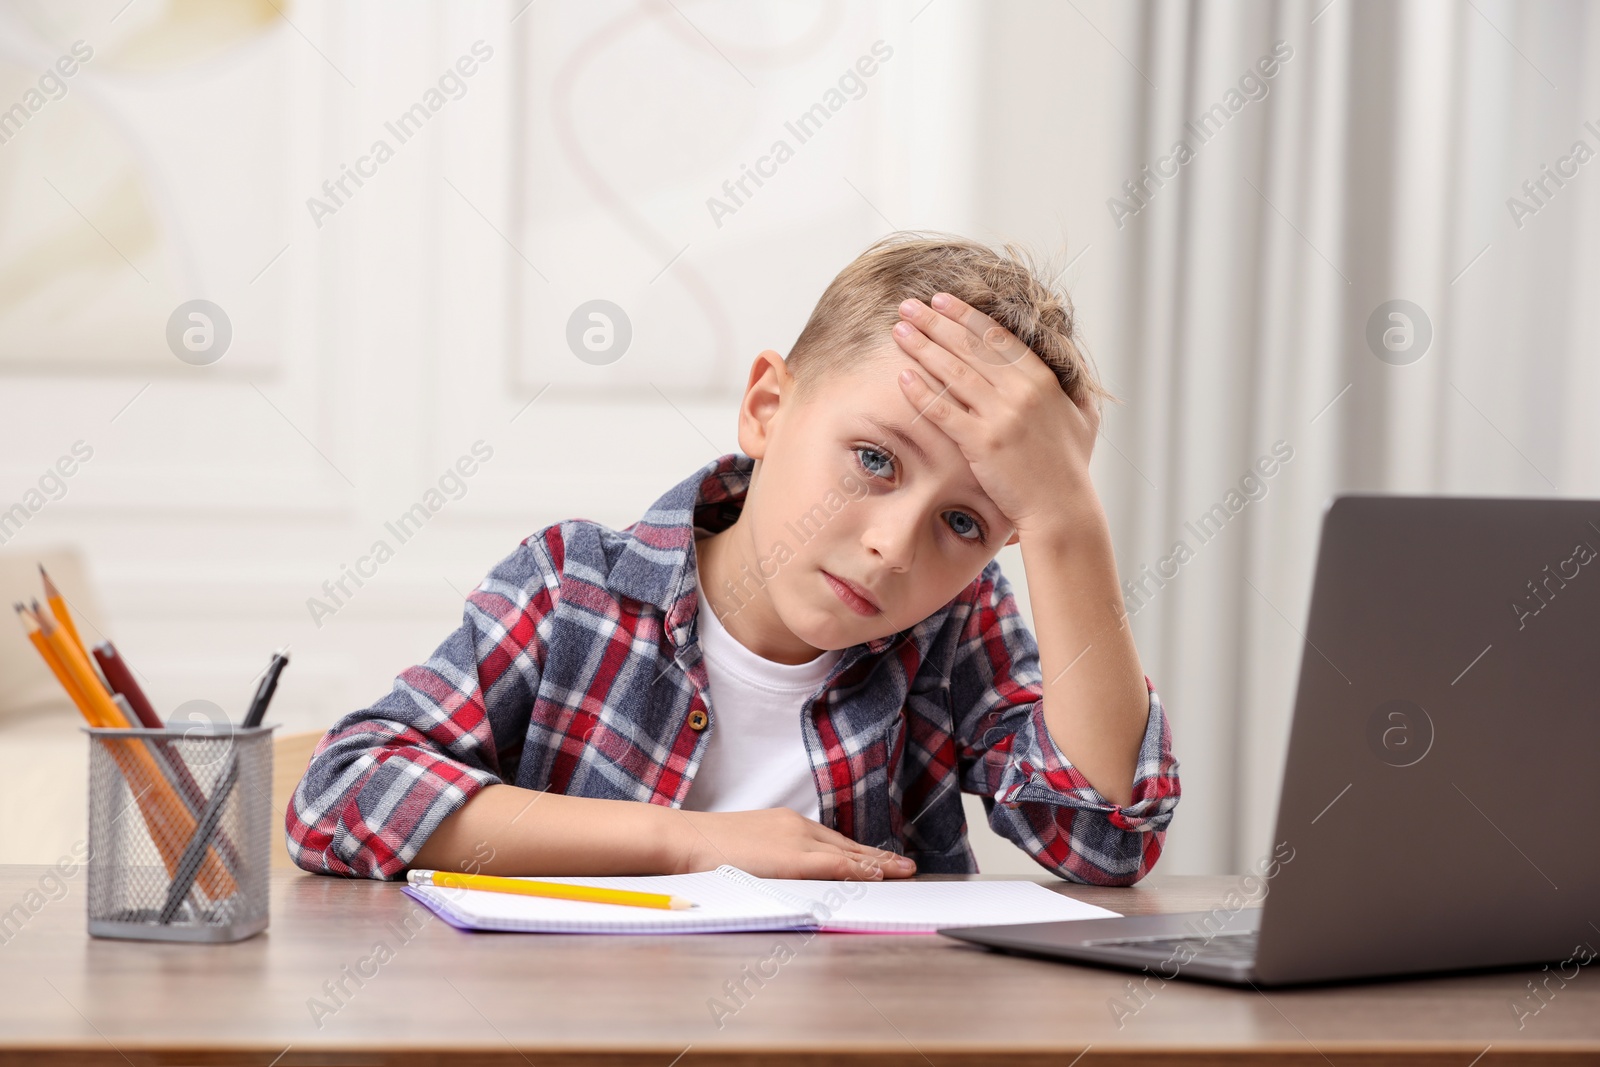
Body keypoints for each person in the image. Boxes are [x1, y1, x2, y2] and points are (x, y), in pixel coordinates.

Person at [286, 231, 1181, 884]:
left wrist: (1066, 519)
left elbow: (1102, 840)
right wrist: (691, 843)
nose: (890, 544)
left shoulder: (958, 625)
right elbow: (345, 791)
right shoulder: (574, 591)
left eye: (965, 523)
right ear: (767, 406)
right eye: (874, 460)